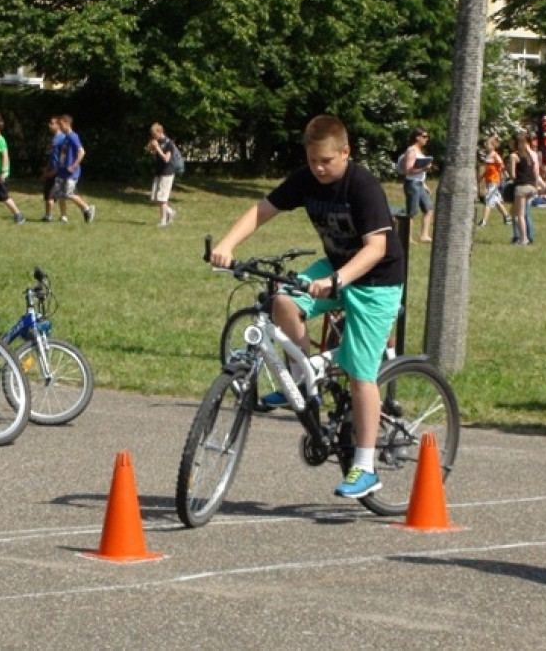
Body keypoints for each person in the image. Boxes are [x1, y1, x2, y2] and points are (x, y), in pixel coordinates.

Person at [208, 115, 404, 499]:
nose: (318, 168)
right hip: (335, 266)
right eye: (313, 160)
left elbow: (376, 247)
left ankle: (365, 466)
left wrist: (335, 282)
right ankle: (300, 379)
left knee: (359, 373)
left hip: (376, 280)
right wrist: (228, 246)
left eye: (327, 161)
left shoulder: (362, 186)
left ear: (346, 152)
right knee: (282, 300)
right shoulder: (307, 178)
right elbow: (262, 209)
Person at [43, 115, 95, 224]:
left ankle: (87, 208)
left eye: (61, 124)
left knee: (68, 193)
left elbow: (81, 152)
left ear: (67, 123)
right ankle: (63, 217)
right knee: (59, 194)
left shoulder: (73, 136)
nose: (60, 126)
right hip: (62, 171)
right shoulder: (65, 138)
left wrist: (74, 166)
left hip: (71, 173)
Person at [507, 130, 542, 246]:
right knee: (514, 212)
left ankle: (523, 239)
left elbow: (512, 175)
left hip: (521, 187)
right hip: (531, 186)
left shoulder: (514, 156)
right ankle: (523, 236)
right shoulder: (529, 155)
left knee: (520, 215)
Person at [401, 127, 434, 243]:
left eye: (427, 137)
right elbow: (408, 170)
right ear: (417, 138)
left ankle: (424, 235)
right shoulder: (411, 151)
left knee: (429, 208)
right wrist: (423, 168)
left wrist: (424, 185)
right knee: (412, 212)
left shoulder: (420, 151)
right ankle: (407, 237)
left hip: (420, 184)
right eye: (424, 137)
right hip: (412, 184)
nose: (427, 139)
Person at [148, 122, 179, 226]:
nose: (153, 136)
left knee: (162, 198)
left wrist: (158, 148)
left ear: (160, 132)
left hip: (167, 173)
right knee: (156, 197)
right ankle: (170, 212)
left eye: (154, 134)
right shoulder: (157, 141)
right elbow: (156, 156)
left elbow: (166, 158)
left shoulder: (169, 143)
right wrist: (153, 150)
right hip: (158, 172)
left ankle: (163, 220)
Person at [477, 136, 511, 227]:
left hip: (494, 180)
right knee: (496, 200)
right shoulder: (488, 156)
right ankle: (507, 217)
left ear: (492, 146)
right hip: (489, 180)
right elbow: (487, 169)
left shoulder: (495, 155)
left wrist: (505, 174)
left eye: (488, 144)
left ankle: (484, 221)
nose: (486, 145)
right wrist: (481, 177)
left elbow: (501, 165)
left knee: (488, 199)